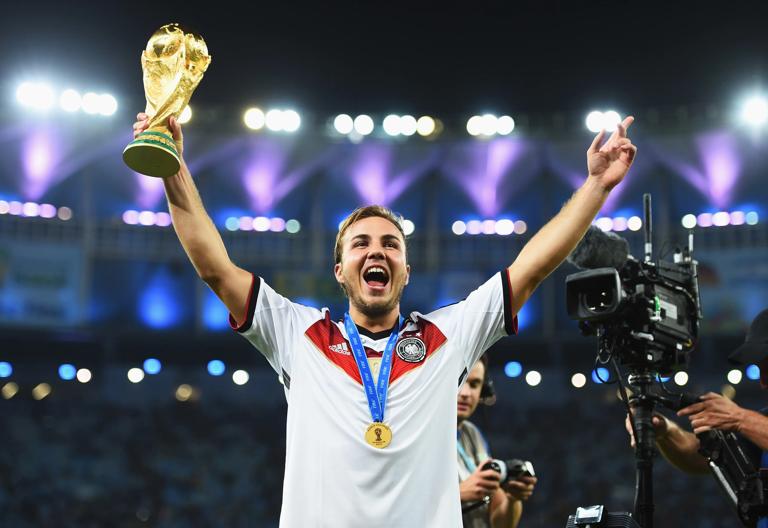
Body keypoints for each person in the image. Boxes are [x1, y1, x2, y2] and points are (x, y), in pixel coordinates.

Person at [133, 111, 636, 527]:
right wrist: (172, 167)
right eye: (362, 244)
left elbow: (531, 267)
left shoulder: (448, 336)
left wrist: (595, 186)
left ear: (405, 271)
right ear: (341, 270)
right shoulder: (297, 334)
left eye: (390, 244)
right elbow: (215, 268)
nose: (378, 251)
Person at [625, 309, 768, 526]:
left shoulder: (753, 423)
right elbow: (700, 458)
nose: (763, 382)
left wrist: (740, 418)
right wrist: (666, 432)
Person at [457, 355, 537, 528]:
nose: (465, 393)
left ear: (483, 391)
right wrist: (459, 494)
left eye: (474, 384)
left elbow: (502, 524)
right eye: (460, 381)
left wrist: (512, 499)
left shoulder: (472, 433)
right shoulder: (418, 433)